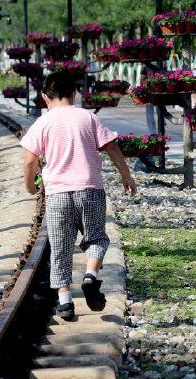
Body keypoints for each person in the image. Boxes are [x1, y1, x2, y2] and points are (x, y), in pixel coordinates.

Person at [21, 71, 138, 321]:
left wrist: (30, 185)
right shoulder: (87, 118)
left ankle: (65, 302)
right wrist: (126, 175)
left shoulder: (42, 123)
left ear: (44, 97)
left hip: (58, 195)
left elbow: (30, 160)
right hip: (90, 190)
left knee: (60, 247)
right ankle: (90, 275)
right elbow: (112, 147)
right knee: (96, 237)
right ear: (75, 94)